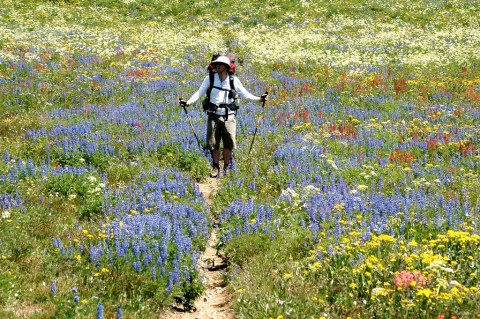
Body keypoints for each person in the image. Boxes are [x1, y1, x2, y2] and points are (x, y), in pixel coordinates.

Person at [180, 55, 268, 178]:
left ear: (226, 66)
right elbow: (199, 93)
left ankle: (226, 167)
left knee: (229, 144)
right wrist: (188, 102)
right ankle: (216, 167)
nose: (218, 65)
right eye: (216, 64)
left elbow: (245, 94)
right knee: (213, 144)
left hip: (229, 116)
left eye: (221, 64)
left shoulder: (233, 80)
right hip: (213, 115)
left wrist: (259, 99)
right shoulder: (209, 78)